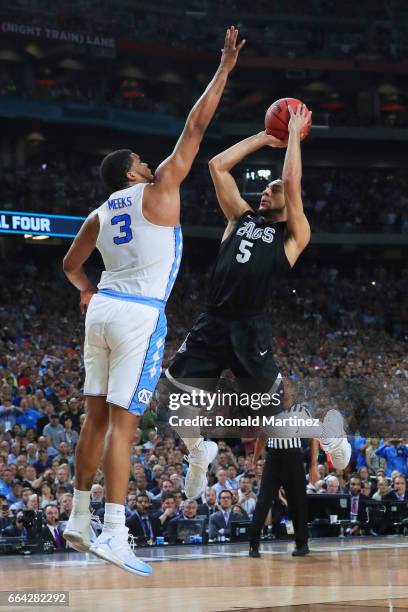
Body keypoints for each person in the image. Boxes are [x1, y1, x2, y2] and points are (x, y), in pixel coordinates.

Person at [61, 26, 245, 577]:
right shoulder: (158, 187)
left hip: (101, 309)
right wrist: (225, 69)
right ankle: (115, 534)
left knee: (93, 419)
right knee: (125, 425)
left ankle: (77, 516)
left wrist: (87, 292)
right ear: (131, 171)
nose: (149, 162)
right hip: (139, 315)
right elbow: (195, 126)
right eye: (141, 159)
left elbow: (71, 266)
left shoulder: (99, 212)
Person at [164, 106, 351, 500]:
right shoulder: (240, 218)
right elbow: (217, 166)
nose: (268, 189)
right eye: (265, 186)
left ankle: (325, 431)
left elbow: (293, 182)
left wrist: (295, 137)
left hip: (250, 327)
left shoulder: (293, 235)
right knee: (178, 399)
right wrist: (266, 138)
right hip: (213, 321)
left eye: (274, 188)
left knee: (274, 421)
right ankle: (199, 453)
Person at [248, 424, 317, 558]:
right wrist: (254, 460)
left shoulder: (301, 411)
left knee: (298, 502)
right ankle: (253, 544)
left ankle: (302, 544)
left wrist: (313, 464)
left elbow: (313, 438)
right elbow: (262, 436)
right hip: (274, 457)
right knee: (263, 500)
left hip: (294, 457)